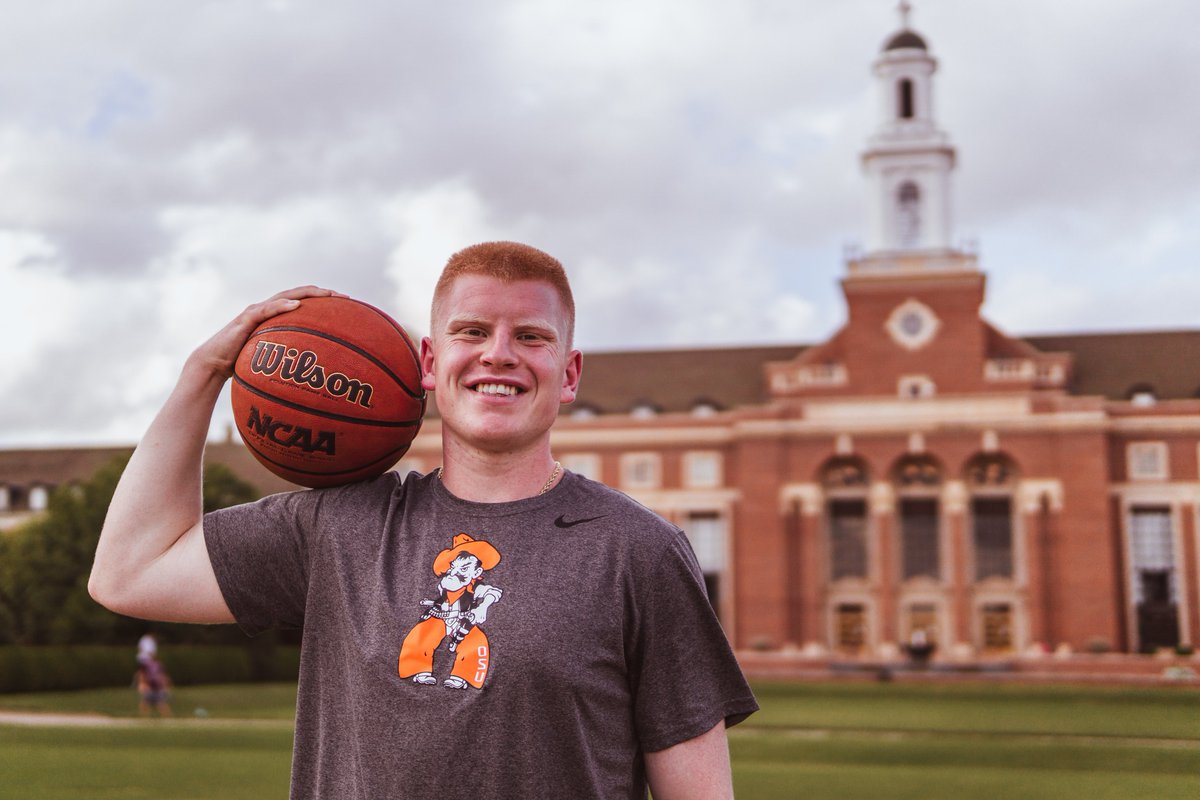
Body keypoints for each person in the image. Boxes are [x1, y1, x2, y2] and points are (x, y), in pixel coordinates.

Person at [89, 241, 758, 798]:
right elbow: (128, 573)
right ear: (431, 364)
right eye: (473, 331)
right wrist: (204, 373)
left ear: (570, 372)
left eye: (531, 336)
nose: (498, 354)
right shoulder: (340, 526)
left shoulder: (639, 550)